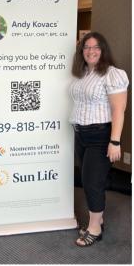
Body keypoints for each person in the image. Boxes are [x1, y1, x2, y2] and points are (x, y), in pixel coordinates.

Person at [69, 32, 129, 247]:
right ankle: (99, 219)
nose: (91, 51)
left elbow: (119, 109)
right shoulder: (82, 73)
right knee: (87, 180)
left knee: (93, 182)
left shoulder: (113, 74)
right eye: (86, 47)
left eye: (96, 47)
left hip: (100, 136)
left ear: (103, 50)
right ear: (81, 50)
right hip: (81, 134)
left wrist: (115, 141)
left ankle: (95, 227)